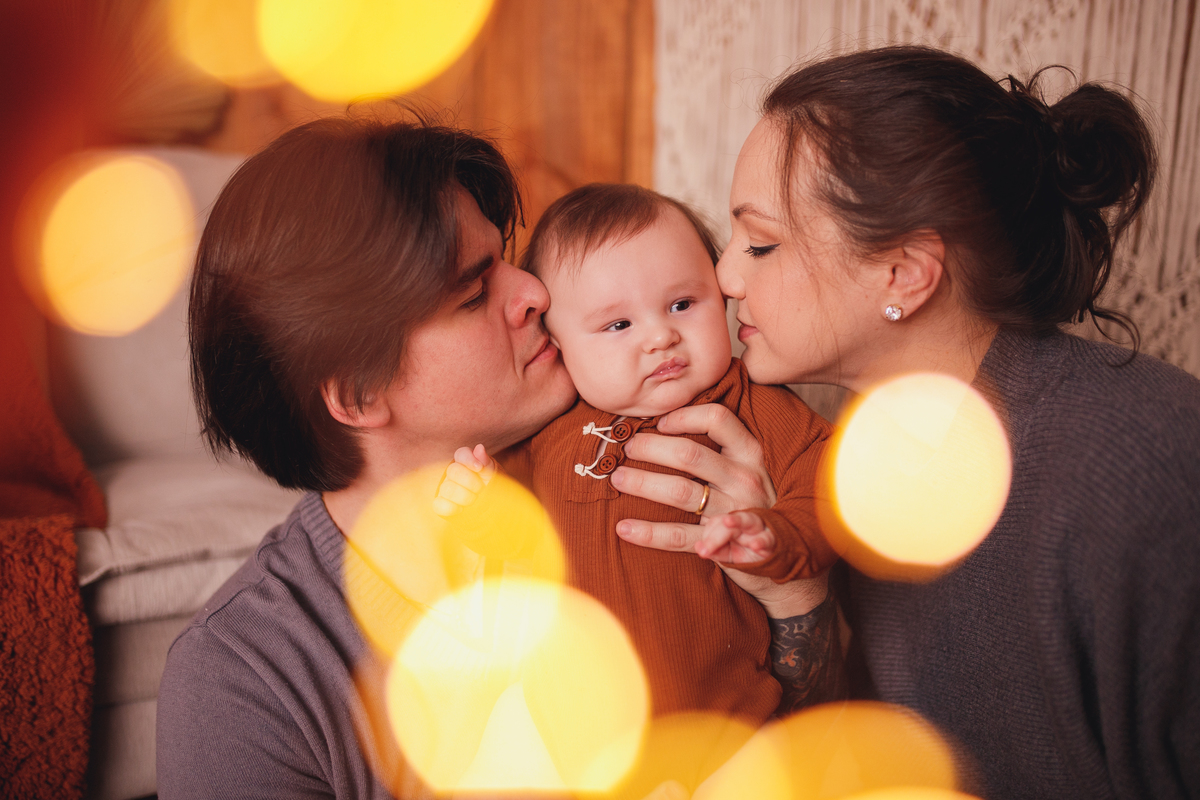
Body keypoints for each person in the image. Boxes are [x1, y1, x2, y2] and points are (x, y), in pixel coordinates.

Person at [157, 117, 838, 799]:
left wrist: (790, 594)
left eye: (506, 258)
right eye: (475, 292)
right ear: (360, 394)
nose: (537, 294)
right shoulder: (241, 680)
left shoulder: (677, 440)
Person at [614, 45, 1200, 799]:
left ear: (904, 273)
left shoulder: (1149, 468)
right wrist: (791, 584)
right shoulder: (858, 457)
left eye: (761, 243)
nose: (725, 278)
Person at [434, 183, 837, 727]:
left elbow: (826, 483)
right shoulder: (548, 434)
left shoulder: (754, 406)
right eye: (618, 325)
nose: (660, 336)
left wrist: (780, 539)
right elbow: (520, 541)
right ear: (557, 344)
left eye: (682, 304)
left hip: (728, 725)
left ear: (721, 298)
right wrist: (479, 510)